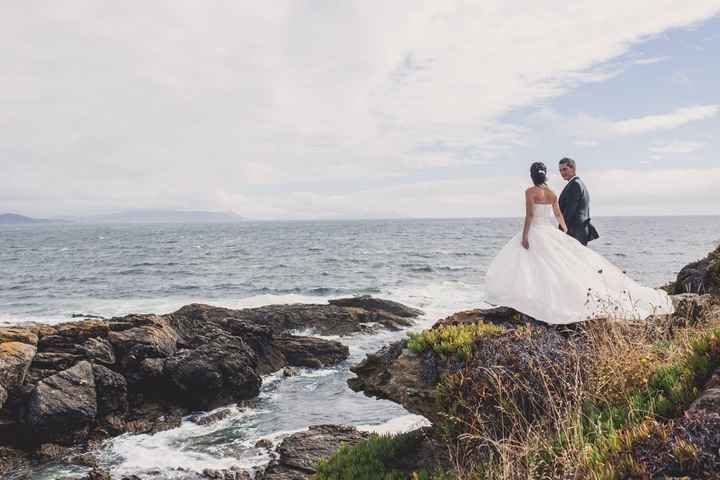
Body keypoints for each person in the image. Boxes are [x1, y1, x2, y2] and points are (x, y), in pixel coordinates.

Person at [484, 162, 673, 325]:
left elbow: (530, 216)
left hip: (535, 230)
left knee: (529, 265)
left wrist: (525, 235)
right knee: (554, 266)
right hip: (548, 230)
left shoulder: (530, 192)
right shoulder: (551, 193)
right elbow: (558, 214)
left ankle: (529, 298)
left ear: (532, 176)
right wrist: (564, 231)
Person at [558, 157, 598, 246]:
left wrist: (559, 232)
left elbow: (569, 212)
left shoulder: (575, 185)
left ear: (573, 168)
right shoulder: (578, 183)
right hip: (579, 231)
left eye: (565, 169)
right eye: (560, 170)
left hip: (575, 232)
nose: (562, 173)